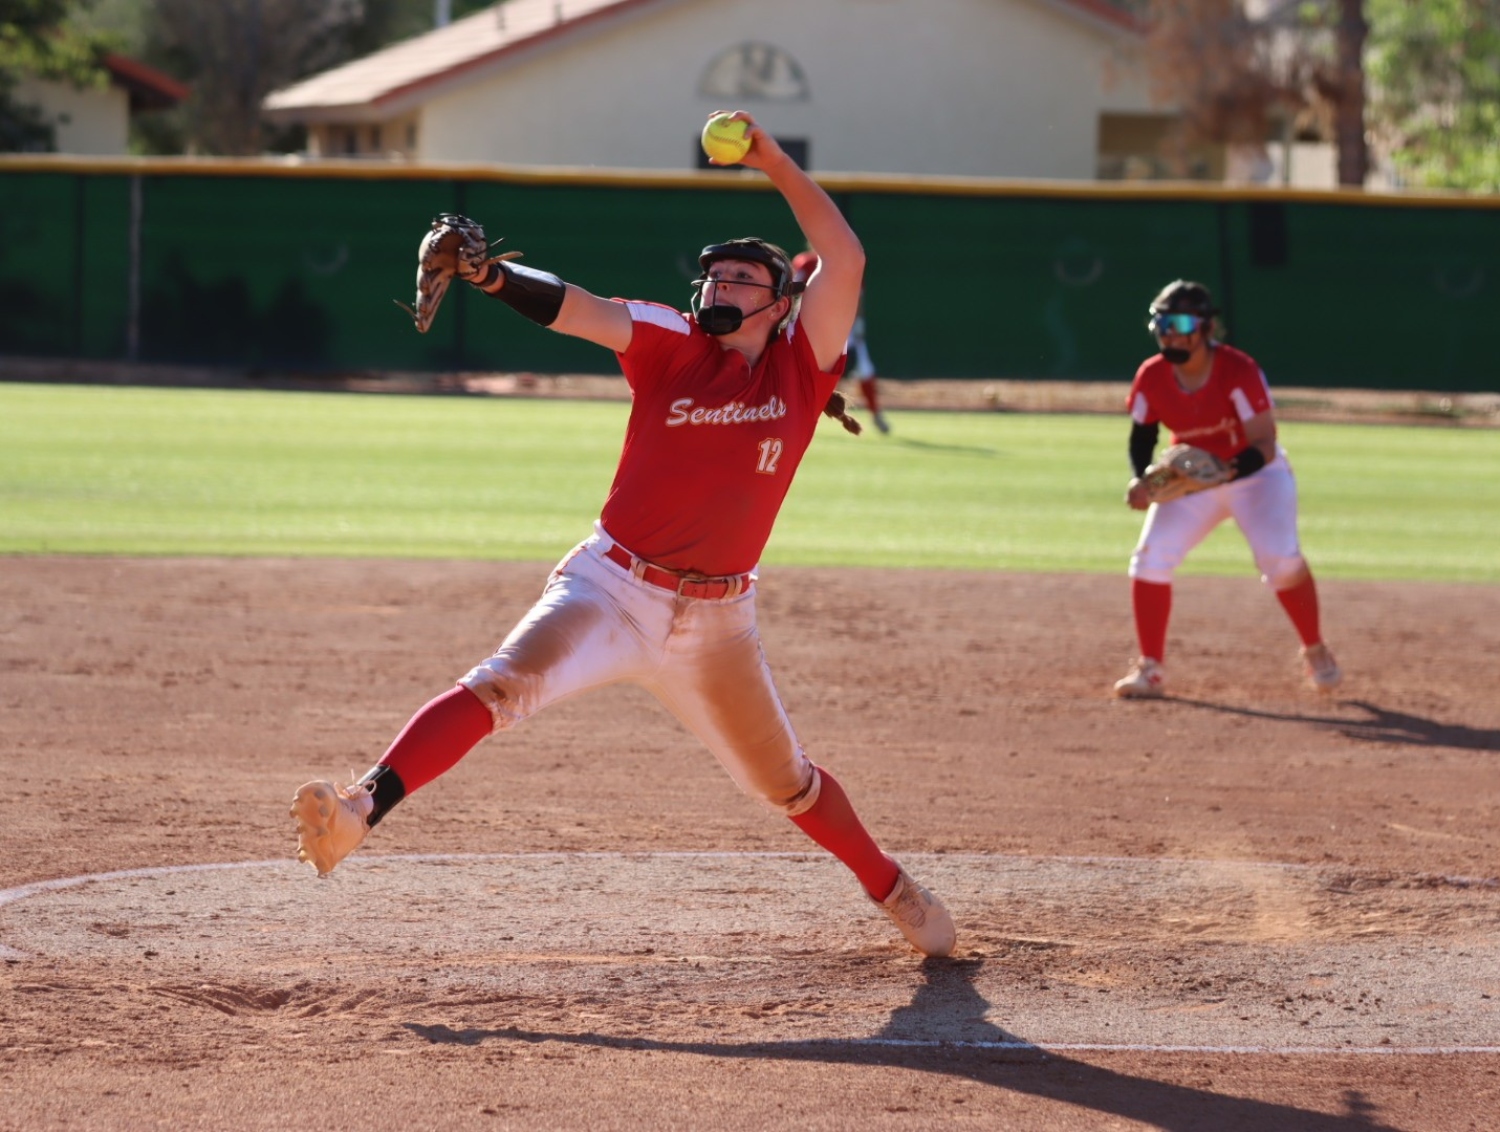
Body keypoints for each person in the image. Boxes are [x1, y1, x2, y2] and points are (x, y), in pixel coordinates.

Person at [289, 111, 955, 958]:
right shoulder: (673, 341)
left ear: (781, 301)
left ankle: (890, 887)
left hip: (719, 624)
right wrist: (492, 276)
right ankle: (357, 812)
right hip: (614, 587)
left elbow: (847, 257)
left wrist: (769, 158)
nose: (718, 290)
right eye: (711, 279)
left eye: (741, 280)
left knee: (785, 784)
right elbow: (581, 309)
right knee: (500, 686)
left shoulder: (801, 361)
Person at [1112, 279, 1342, 699]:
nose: (1170, 332)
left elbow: (1264, 441)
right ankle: (1151, 669)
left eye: (1181, 322)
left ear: (1206, 328)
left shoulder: (1238, 370)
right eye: (1162, 322)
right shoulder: (1153, 376)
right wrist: (1142, 479)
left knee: (1280, 559)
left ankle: (1315, 649)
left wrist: (1228, 471)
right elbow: (1142, 436)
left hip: (1257, 476)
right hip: (1191, 477)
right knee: (1150, 559)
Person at [792, 251, 889, 434]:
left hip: (843, 325)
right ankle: (794, 414)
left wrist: (858, 323)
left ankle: (876, 413)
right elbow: (794, 292)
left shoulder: (851, 261)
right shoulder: (807, 261)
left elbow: (857, 296)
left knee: (865, 368)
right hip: (812, 324)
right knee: (803, 373)